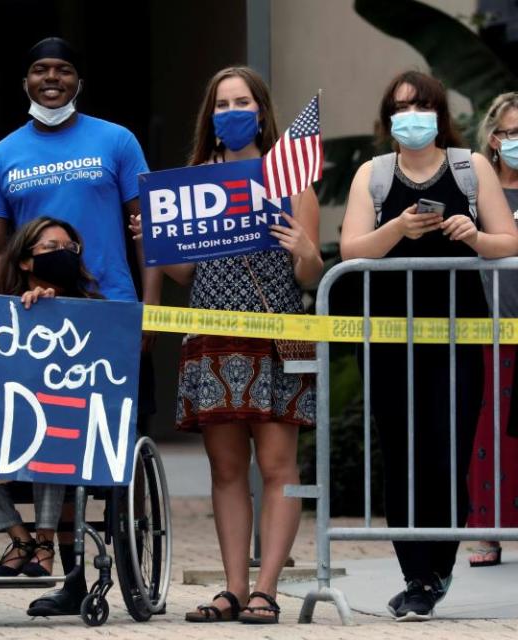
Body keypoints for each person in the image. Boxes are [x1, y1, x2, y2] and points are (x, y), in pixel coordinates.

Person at [0, 35, 160, 617]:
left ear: (79, 80)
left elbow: (147, 227)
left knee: (92, 443)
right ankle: (62, 564)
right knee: (50, 437)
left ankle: (80, 570)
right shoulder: (2, 155)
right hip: (37, 316)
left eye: (63, 70)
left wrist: (149, 310)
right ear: (25, 81)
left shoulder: (117, 141)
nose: (51, 79)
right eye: (39, 70)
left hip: (110, 312)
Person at [131, 65, 322, 625]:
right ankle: (234, 588)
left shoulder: (290, 177)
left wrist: (305, 245)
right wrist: (156, 247)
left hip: (280, 332)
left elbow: (309, 274)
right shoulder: (191, 181)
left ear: (261, 111)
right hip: (211, 333)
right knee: (226, 467)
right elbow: (186, 274)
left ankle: (268, 590)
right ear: (209, 116)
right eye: (221, 104)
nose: (231, 112)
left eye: (241, 102)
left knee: (278, 463)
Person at [340, 71, 518, 621]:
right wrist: (398, 229)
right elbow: (351, 248)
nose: (410, 116)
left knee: (448, 448)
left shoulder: (471, 167)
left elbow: (508, 240)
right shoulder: (372, 174)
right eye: (399, 107)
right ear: (387, 118)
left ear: (439, 112)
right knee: (400, 451)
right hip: (390, 337)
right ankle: (414, 574)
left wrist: (474, 236)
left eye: (419, 105)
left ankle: (436, 571)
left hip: (457, 334)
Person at [0, 216, 102, 584]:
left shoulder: (96, 308)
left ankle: (45, 544)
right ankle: (20, 539)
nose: (63, 254)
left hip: (69, 426)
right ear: (25, 260)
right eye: (51, 248)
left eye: (70, 249)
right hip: (9, 424)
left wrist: (57, 310)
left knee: (52, 426)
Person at [467, 91, 518, 567]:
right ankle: (487, 532)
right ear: (493, 138)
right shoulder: (478, 190)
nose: (516, 141)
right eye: (509, 132)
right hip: (488, 331)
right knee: (488, 434)